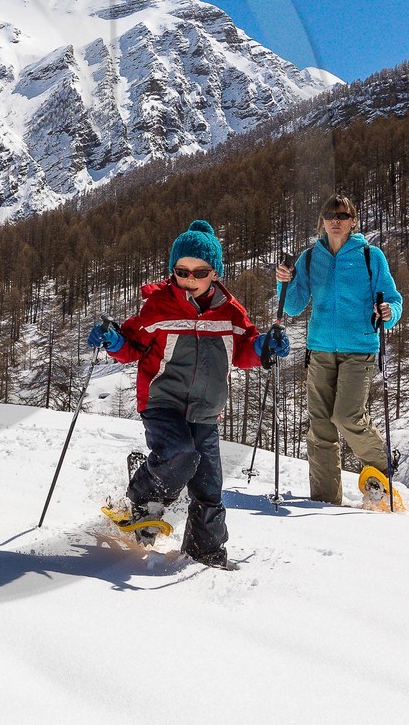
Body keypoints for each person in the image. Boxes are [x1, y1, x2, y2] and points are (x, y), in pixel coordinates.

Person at [87, 220, 279, 566]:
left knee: (209, 489)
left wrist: (265, 346)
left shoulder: (231, 312)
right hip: (163, 402)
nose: (190, 279)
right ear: (172, 270)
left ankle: (205, 554)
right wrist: (113, 340)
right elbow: (131, 344)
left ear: (215, 272)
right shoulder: (158, 306)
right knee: (180, 453)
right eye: (182, 271)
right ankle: (144, 499)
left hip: (206, 411)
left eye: (199, 271)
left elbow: (244, 350)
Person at [274, 194, 403, 505]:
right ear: (322, 221)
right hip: (319, 350)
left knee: (347, 416)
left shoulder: (371, 257)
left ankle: (382, 467)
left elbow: (394, 300)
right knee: (320, 427)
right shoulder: (309, 258)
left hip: (359, 348)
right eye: (330, 214)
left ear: (353, 221)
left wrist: (389, 312)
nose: (336, 220)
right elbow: (292, 306)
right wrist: (284, 282)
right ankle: (323, 500)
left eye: (342, 215)